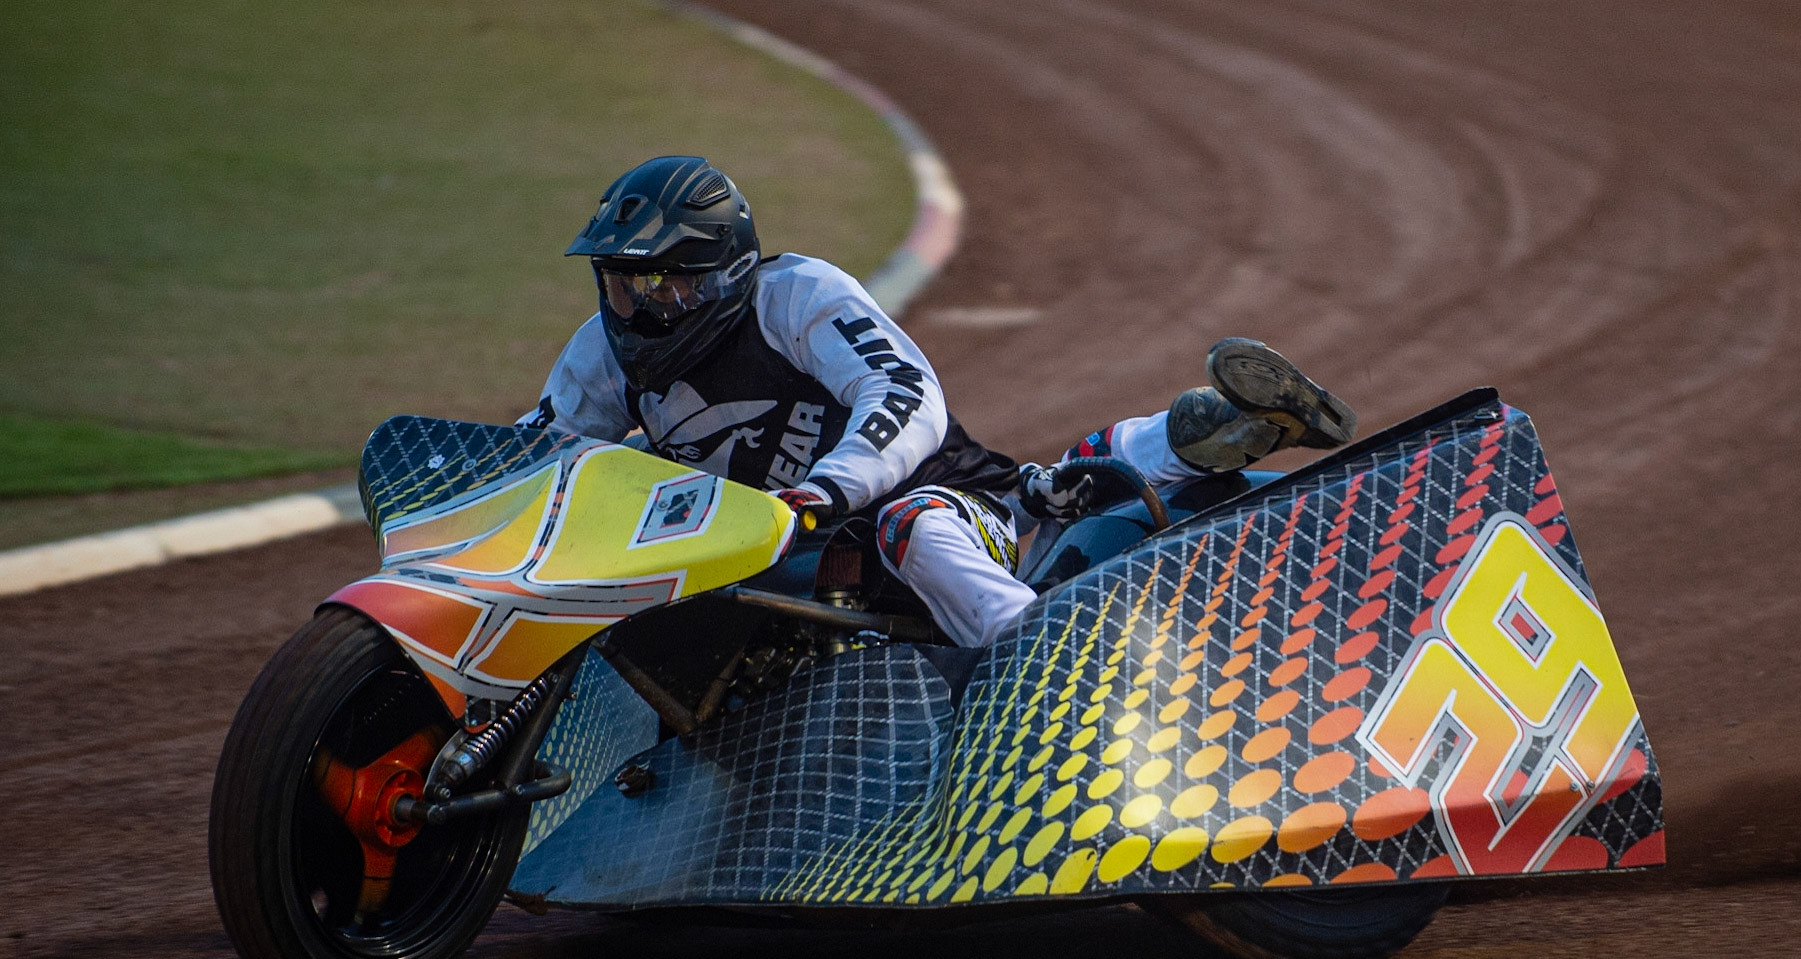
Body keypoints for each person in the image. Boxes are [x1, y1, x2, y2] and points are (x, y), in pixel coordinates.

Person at [522, 155, 1355, 647]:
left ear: (725, 273)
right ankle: (1196, 433)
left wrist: (825, 490)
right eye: (624, 285)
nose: (643, 309)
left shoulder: (796, 295)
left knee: (920, 521)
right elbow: (535, 454)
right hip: (796, 561)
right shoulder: (602, 352)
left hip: (953, 507)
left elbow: (903, 391)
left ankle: (1044, 670)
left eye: (665, 286)